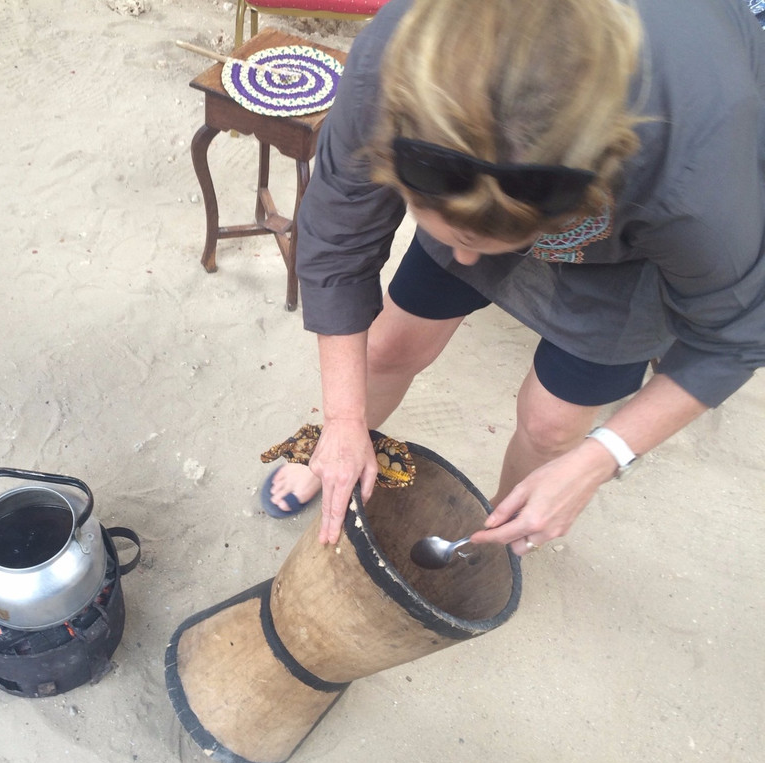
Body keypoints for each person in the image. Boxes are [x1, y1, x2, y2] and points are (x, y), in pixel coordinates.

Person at [261, 0, 765, 554]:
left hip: (637, 229)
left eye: (487, 242)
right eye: (451, 234)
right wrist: (342, 415)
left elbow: (736, 332)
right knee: (387, 347)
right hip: (504, 165)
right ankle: (335, 450)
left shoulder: (693, 178)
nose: (469, 262)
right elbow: (338, 230)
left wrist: (602, 457)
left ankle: (496, 529)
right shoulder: (397, 59)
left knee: (553, 427)